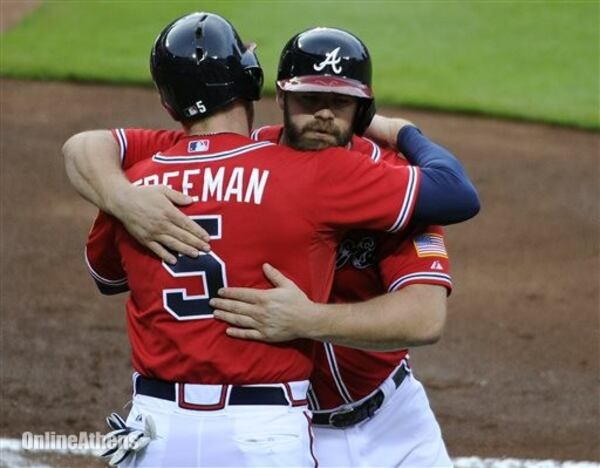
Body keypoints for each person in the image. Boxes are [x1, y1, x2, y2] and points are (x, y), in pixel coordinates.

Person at [63, 15, 479, 468]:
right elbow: (88, 146)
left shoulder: (387, 178)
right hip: (285, 423)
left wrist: (309, 319)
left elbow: (424, 317)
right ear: (278, 94)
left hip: (390, 420)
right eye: (309, 97)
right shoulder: (261, 158)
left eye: (340, 101)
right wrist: (123, 200)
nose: (323, 112)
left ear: (363, 111)